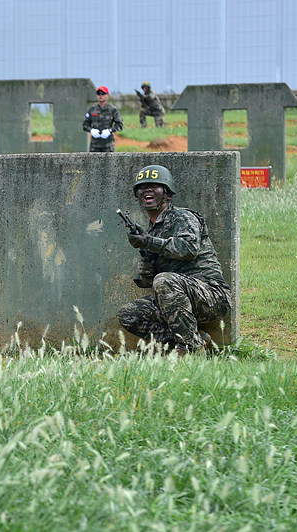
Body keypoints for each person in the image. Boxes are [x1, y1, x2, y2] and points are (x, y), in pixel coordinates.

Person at [117, 165, 231, 354]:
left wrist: (149, 241)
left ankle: (189, 349)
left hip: (210, 296)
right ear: (137, 196)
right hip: (176, 299)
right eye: (142, 187)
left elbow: (188, 249)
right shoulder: (153, 231)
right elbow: (148, 282)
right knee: (129, 314)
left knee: (165, 280)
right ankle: (195, 338)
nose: (147, 190)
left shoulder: (183, 217)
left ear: (167, 194)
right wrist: (145, 257)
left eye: (155, 186)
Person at [83, 86, 124, 152]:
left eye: (103, 93)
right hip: (94, 146)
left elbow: (119, 125)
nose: (100, 96)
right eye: (98, 94)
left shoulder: (112, 110)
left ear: (107, 96)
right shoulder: (92, 109)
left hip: (108, 145)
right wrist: (91, 130)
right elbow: (85, 125)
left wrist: (109, 131)